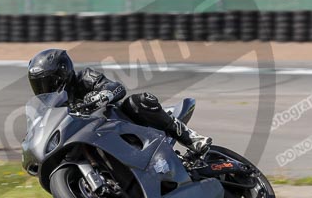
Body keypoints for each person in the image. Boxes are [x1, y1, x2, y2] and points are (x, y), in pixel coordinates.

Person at [27, 48, 212, 155]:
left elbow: (116, 87)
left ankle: (191, 138)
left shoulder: (84, 77)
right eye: (39, 84)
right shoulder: (53, 106)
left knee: (137, 101)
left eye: (47, 81)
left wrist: (100, 96)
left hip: (119, 123)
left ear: (62, 73)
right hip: (93, 138)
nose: (44, 88)